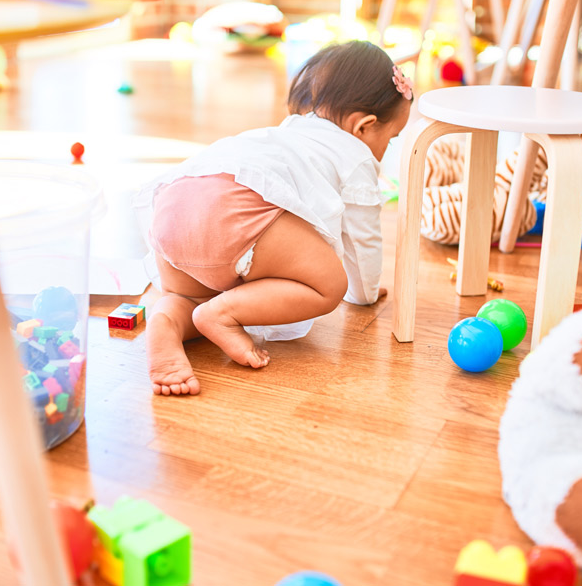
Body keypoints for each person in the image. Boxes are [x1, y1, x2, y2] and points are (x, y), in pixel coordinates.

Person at [133, 41, 413, 395]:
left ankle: (167, 321)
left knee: (189, 300)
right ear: (364, 127)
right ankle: (222, 314)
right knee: (329, 283)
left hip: (173, 208)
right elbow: (362, 239)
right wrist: (365, 293)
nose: (386, 151)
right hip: (230, 211)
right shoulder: (355, 156)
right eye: (391, 139)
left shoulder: (287, 132)